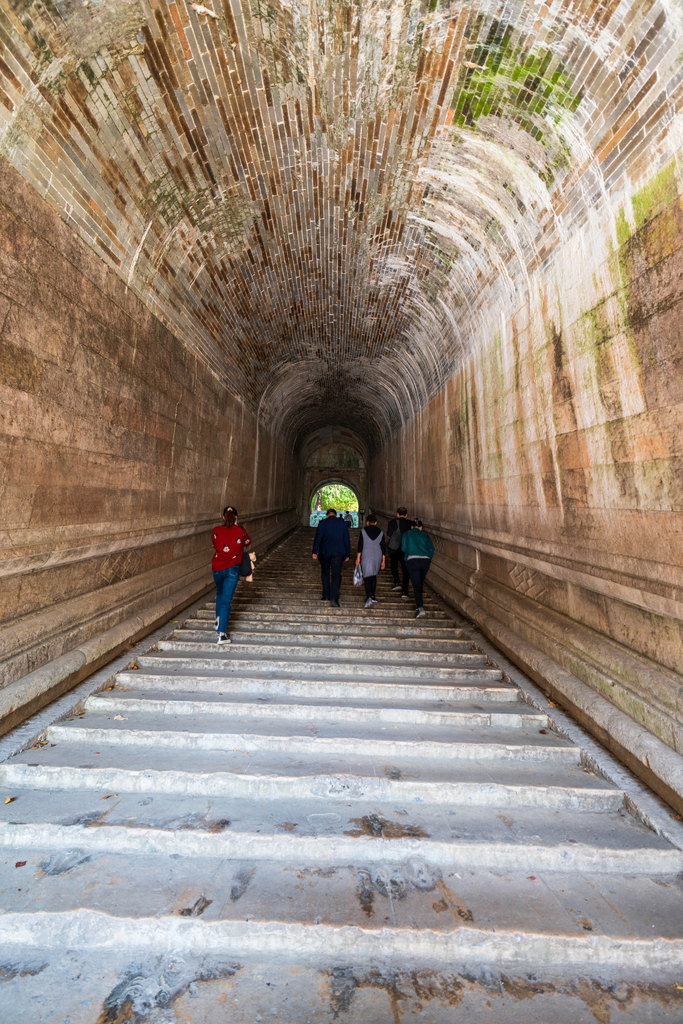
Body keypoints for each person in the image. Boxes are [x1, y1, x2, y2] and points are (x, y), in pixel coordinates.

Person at [212, 505, 251, 644]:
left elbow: (215, 543)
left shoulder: (216, 530)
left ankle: (218, 620)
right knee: (226, 601)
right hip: (232, 568)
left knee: (220, 593)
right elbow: (247, 541)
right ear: (236, 517)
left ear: (223, 516)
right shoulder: (240, 530)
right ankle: (221, 634)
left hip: (217, 567)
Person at [312, 508, 350, 607]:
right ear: (336, 515)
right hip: (338, 552)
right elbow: (346, 539)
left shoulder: (322, 523)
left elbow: (318, 538)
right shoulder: (342, 523)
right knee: (336, 575)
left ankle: (326, 595)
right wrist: (347, 554)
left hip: (325, 551)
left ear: (327, 516)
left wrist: (314, 551)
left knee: (325, 573)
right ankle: (334, 598)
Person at [401, 519, 435, 618]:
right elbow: (431, 549)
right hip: (425, 560)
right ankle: (419, 604)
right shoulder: (425, 535)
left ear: (412, 527)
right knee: (420, 583)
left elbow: (403, 548)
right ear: (421, 528)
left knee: (416, 584)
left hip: (412, 560)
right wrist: (428, 558)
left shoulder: (406, 534)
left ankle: (420, 607)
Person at [356, 512, 386, 608]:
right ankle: (373, 596)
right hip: (377, 555)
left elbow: (360, 546)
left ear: (367, 522)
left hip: (366, 555)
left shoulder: (363, 531)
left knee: (367, 577)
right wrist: (383, 561)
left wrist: (358, 558)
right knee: (373, 576)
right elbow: (383, 547)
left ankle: (368, 597)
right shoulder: (380, 532)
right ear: (376, 522)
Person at [387, 506, 412, 597]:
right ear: (406, 515)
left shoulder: (392, 522)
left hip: (394, 548)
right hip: (405, 549)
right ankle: (404, 591)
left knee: (394, 565)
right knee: (405, 570)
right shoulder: (410, 523)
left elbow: (389, 534)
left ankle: (397, 582)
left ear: (397, 514)